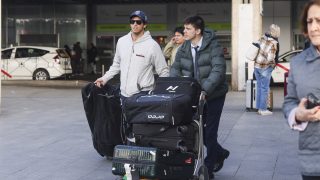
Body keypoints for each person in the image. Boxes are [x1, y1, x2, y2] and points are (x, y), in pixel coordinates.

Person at [170, 15, 229, 179]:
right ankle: (220, 152)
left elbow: (218, 70)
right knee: (198, 130)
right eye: (184, 28)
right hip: (194, 95)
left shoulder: (213, 45)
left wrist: (204, 90)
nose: (184, 31)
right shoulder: (185, 46)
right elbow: (176, 67)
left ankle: (209, 168)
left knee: (209, 132)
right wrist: (176, 84)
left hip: (214, 95)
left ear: (198, 31)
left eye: (188, 29)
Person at [283, 1, 320, 179]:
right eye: (310, 21)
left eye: (319, 21)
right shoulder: (297, 63)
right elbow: (289, 101)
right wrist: (298, 114)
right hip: (312, 157)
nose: (313, 27)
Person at [94, 10, 169, 98]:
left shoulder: (152, 45)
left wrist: (161, 93)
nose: (135, 24)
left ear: (144, 25)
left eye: (138, 22)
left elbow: (163, 71)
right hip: (124, 94)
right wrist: (104, 78)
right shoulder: (122, 41)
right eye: (132, 22)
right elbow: (116, 65)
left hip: (143, 94)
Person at [254, 24, 280, 116]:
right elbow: (270, 58)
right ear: (277, 33)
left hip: (256, 66)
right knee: (265, 89)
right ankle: (263, 109)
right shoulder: (274, 43)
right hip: (265, 67)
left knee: (259, 88)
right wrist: (273, 65)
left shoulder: (262, 38)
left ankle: (259, 109)